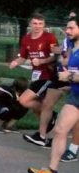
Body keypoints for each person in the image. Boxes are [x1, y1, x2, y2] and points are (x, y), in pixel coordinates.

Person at [28, 17, 79, 173]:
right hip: (75, 96)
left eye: (71, 28)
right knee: (59, 130)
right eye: (67, 28)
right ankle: (51, 172)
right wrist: (70, 83)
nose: (67, 31)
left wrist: (69, 76)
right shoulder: (73, 47)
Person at [9, 13, 59, 147]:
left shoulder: (49, 37)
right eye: (35, 23)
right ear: (30, 24)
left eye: (40, 24)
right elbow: (23, 57)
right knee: (39, 106)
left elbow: (56, 56)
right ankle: (47, 134)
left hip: (48, 76)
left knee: (24, 100)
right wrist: (15, 62)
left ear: (44, 25)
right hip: (36, 75)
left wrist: (42, 60)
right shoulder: (26, 39)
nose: (37, 26)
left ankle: (51, 117)